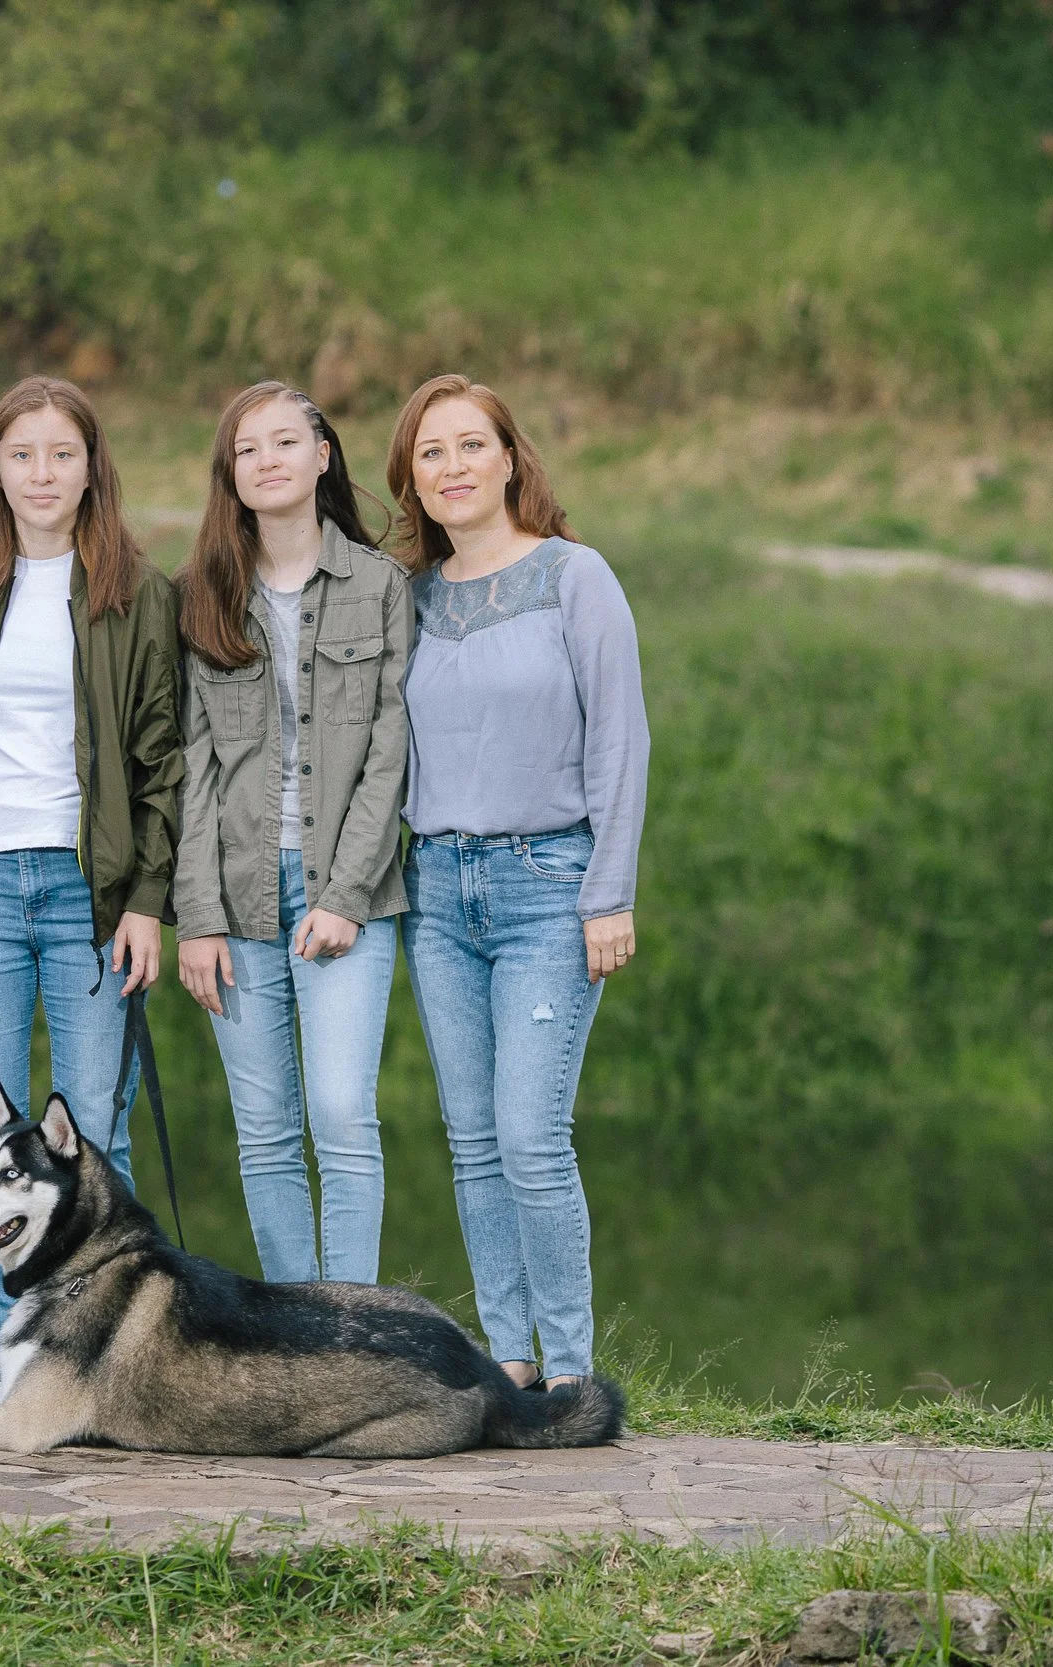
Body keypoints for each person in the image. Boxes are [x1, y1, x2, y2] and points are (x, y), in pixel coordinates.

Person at [0, 375, 183, 1390]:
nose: (42, 473)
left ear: (91, 468)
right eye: (21, 454)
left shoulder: (133, 591)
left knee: (94, 1130)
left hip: (90, 890)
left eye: (61, 454)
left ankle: (81, 1341)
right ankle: (0, 1345)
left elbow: (161, 758)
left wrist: (149, 899)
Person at [388, 372, 649, 1394]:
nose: (452, 466)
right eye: (430, 452)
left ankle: (575, 1376)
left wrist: (609, 893)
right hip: (439, 893)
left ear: (508, 457)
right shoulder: (410, 598)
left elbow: (620, 739)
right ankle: (509, 1361)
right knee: (472, 1142)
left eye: (469, 445)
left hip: (550, 883)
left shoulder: (575, 577)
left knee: (531, 1136)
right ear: (413, 478)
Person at [172, 381, 412, 1285]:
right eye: (247, 448)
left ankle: (349, 1329)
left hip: (347, 891)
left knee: (343, 1115)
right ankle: (292, 1332)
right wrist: (196, 917)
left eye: (285, 441)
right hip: (234, 894)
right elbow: (190, 768)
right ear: (230, 476)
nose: (267, 459)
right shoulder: (200, 596)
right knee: (265, 1129)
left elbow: (391, 751)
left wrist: (345, 896)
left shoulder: (381, 587)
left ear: (322, 456)